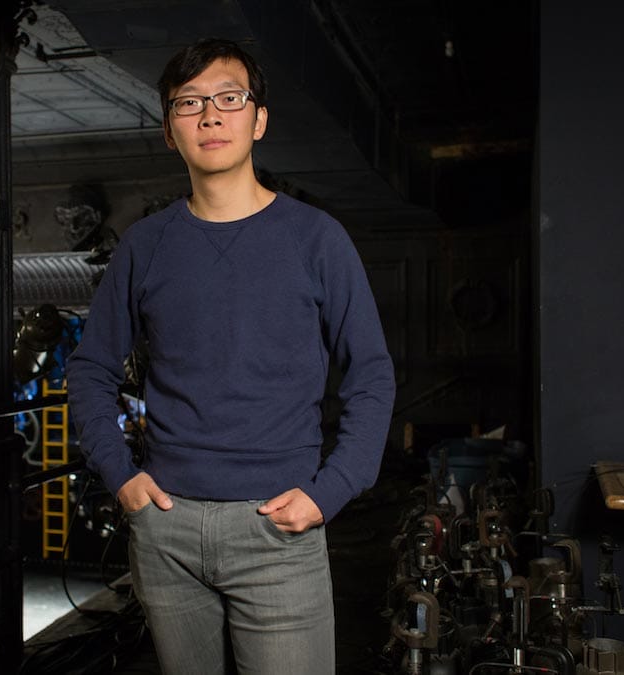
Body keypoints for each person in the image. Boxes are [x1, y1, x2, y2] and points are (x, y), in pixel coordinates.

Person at [66, 37, 395, 674]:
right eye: (188, 103)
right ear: (170, 130)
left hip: (279, 530)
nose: (210, 115)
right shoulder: (146, 245)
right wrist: (120, 475)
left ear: (258, 118)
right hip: (167, 531)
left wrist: (331, 491)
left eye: (228, 98)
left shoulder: (315, 239)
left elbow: (372, 373)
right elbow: (91, 367)